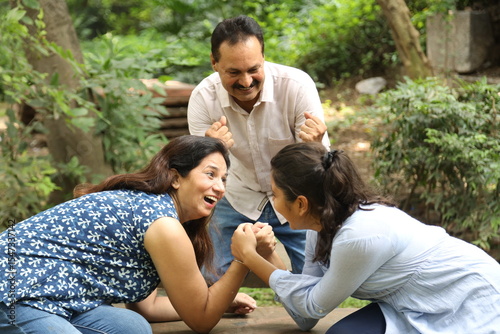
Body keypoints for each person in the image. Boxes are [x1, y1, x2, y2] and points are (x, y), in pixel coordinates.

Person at [0, 135, 280, 334]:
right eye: (210, 174)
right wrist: (244, 258)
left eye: (224, 179)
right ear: (175, 177)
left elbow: (149, 309)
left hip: (54, 298)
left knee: (132, 327)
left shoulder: (157, 214)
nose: (219, 187)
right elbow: (201, 320)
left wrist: (223, 301)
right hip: (12, 291)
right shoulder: (163, 224)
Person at [231, 142, 500, 334]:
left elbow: (312, 306)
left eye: (275, 194)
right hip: (410, 305)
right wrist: (267, 254)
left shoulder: (358, 236)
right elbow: (305, 315)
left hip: (468, 298)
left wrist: (250, 258)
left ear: (301, 203)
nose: (272, 202)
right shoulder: (321, 223)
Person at [187, 14, 330, 280]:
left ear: (264, 57)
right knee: (208, 279)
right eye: (233, 72)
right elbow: (201, 175)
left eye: (253, 69)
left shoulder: (297, 87)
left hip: (295, 196)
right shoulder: (202, 98)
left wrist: (316, 147)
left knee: (315, 282)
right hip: (236, 196)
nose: (245, 81)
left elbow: (319, 166)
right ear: (214, 63)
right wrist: (211, 152)